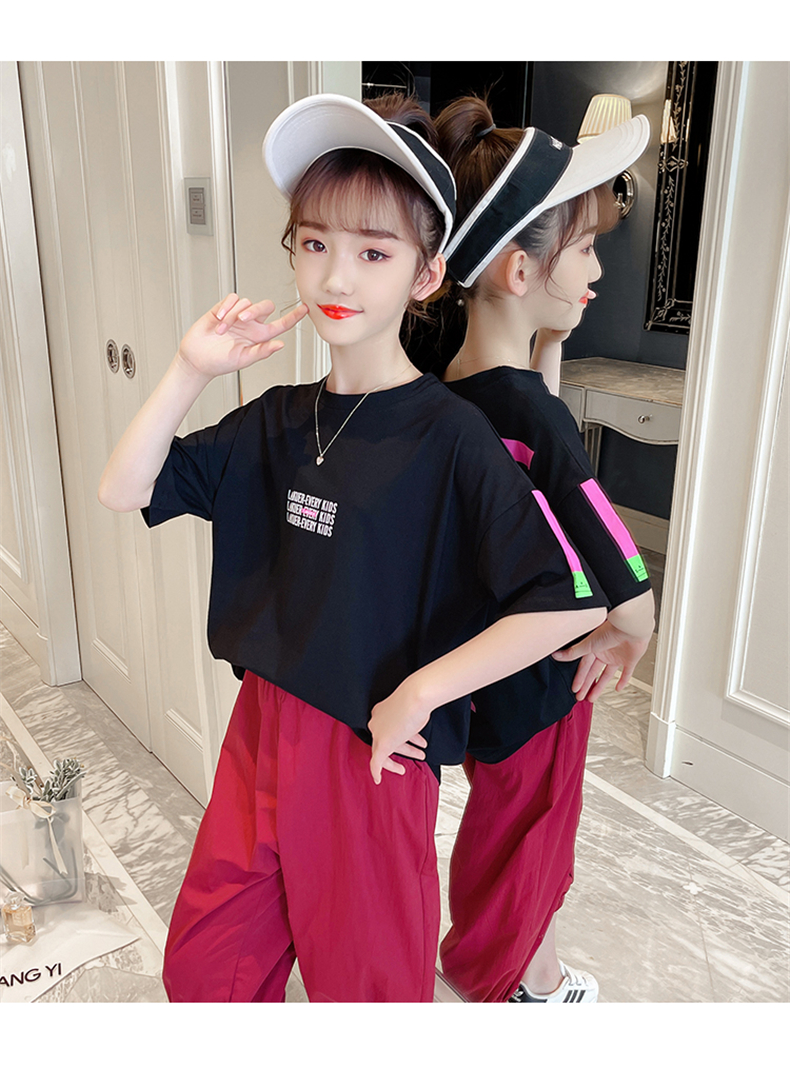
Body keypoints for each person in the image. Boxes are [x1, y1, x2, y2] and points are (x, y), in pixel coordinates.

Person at [98, 92, 608, 1003]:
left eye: (374, 252)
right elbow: (124, 489)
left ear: (425, 275)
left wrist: (422, 691)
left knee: (367, 992)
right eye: (314, 243)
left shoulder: (453, 438)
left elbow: (566, 601)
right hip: (260, 733)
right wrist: (189, 370)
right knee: (206, 972)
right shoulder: (274, 421)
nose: (336, 275)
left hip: (369, 755)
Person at [432, 95, 656, 1003]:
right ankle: (513, 984)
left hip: (487, 664)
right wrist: (630, 630)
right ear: (521, 269)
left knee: (506, 819)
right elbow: (619, 569)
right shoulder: (537, 418)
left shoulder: (451, 392)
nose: (598, 266)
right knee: (533, 832)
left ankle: (527, 967)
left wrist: (548, 342)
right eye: (587, 246)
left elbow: (531, 434)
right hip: (547, 675)